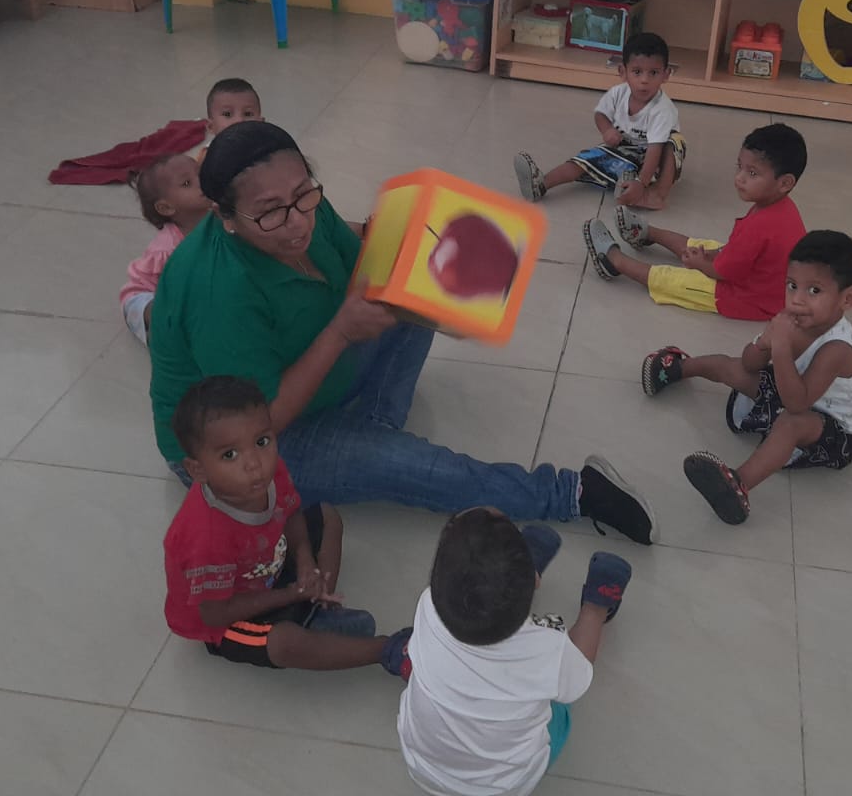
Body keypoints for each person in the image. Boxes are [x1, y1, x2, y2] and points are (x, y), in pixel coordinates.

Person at [147, 119, 657, 545]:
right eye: (270, 212)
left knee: (412, 285)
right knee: (422, 468)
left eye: (303, 193)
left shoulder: (304, 209)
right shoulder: (216, 290)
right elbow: (262, 422)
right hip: (245, 447)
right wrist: (340, 334)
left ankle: (367, 440)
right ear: (225, 217)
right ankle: (571, 493)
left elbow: (364, 272)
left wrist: (427, 266)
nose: (297, 221)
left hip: (312, 370)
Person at [162, 376, 413, 674]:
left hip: (270, 568)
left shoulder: (269, 473)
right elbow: (215, 614)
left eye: (261, 442)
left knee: (328, 516)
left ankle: (318, 606)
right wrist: (290, 594)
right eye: (230, 455)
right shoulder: (205, 538)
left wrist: (306, 562)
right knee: (284, 643)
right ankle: (386, 650)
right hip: (228, 616)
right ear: (198, 470)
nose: (254, 463)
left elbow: (291, 512)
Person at [642, 231, 852, 525]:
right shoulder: (792, 319)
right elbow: (750, 364)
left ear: (848, 298)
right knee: (732, 367)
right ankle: (679, 367)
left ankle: (739, 484)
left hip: (831, 428)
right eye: (792, 285)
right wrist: (764, 343)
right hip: (794, 389)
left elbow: (797, 404)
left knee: (790, 424)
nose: (797, 300)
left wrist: (782, 347)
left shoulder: (838, 349)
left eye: (814, 290)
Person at [398, 507, 632, 796]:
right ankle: (597, 606)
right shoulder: (546, 650)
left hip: (424, 769)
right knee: (560, 700)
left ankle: (515, 572)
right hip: (505, 786)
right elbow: (576, 678)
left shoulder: (427, 605)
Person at [580, 123, 808, 322]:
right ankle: (647, 233)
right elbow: (741, 252)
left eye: (753, 173)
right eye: (740, 166)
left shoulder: (760, 226)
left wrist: (701, 264)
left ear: (785, 183)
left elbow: (722, 273)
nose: (740, 178)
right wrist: (713, 254)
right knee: (705, 246)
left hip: (746, 298)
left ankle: (614, 261)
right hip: (764, 282)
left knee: (675, 279)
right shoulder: (781, 206)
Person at [514, 32, 685, 210]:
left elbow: (655, 150)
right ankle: (541, 184)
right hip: (621, 148)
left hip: (652, 159)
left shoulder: (662, 110)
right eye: (637, 72)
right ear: (623, 72)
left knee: (675, 142)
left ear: (666, 75)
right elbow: (600, 114)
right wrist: (607, 130)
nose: (644, 80)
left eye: (653, 73)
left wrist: (642, 182)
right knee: (583, 160)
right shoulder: (618, 93)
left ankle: (655, 196)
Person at [119, 153, 213, 345]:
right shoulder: (168, 248)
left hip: (188, 294)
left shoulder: (220, 218)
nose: (201, 182)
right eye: (187, 183)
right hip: (148, 295)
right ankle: (159, 336)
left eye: (200, 173)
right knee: (163, 315)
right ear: (166, 208)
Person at [197, 77, 261, 165]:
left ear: (261, 123)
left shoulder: (271, 151)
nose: (239, 120)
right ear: (211, 127)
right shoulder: (207, 159)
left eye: (248, 114)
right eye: (227, 114)